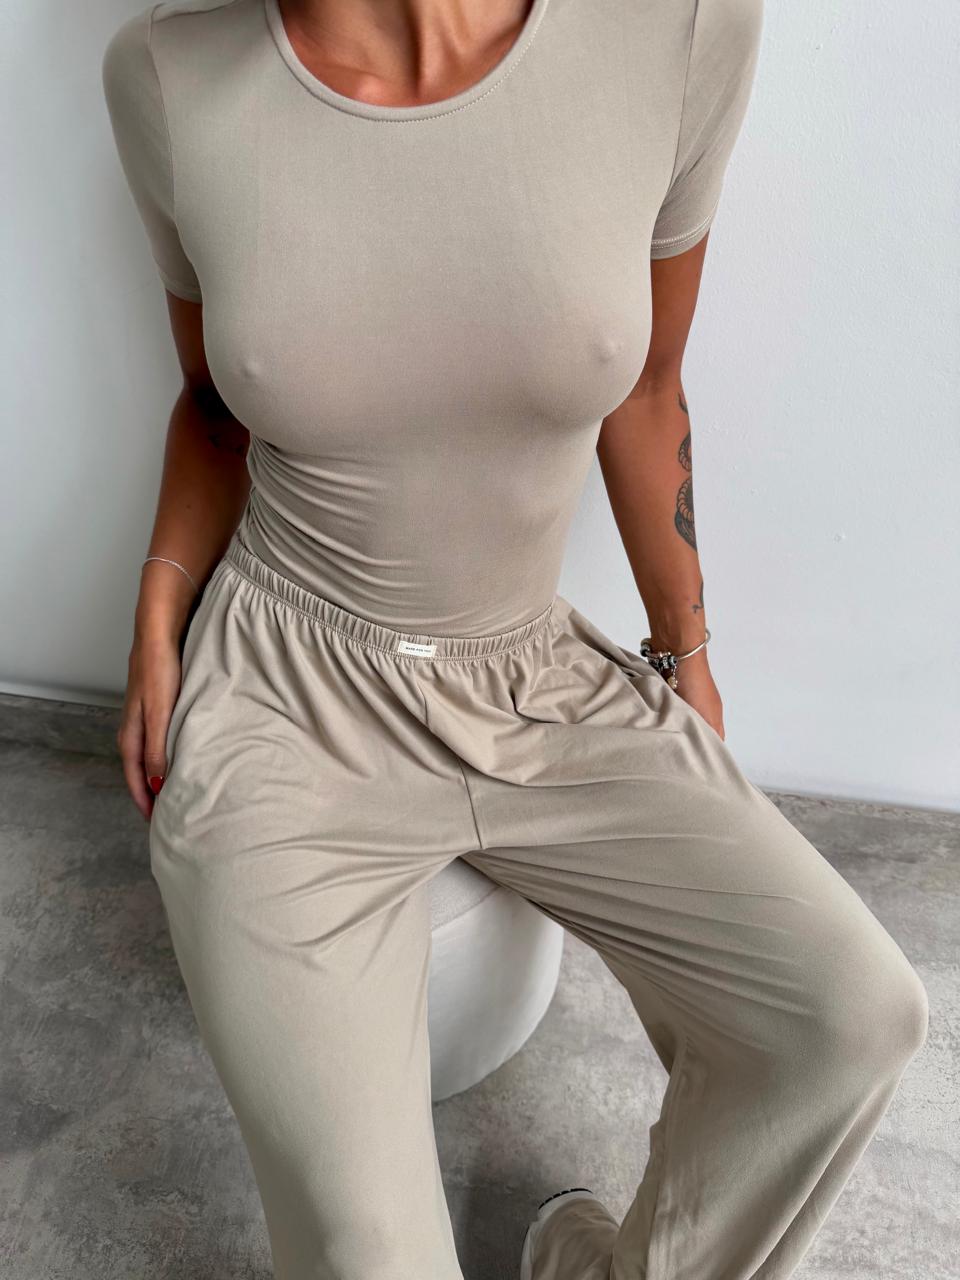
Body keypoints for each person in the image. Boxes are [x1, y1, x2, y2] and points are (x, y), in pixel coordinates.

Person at [101, 1, 929, 1277]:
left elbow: (646, 388)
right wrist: (159, 610)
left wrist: (686, 654)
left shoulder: (678, 32)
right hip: (286, 699)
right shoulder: (170, 74)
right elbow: (215, 404)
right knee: (366, 1252)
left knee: (850, 1018)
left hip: (534, 675)